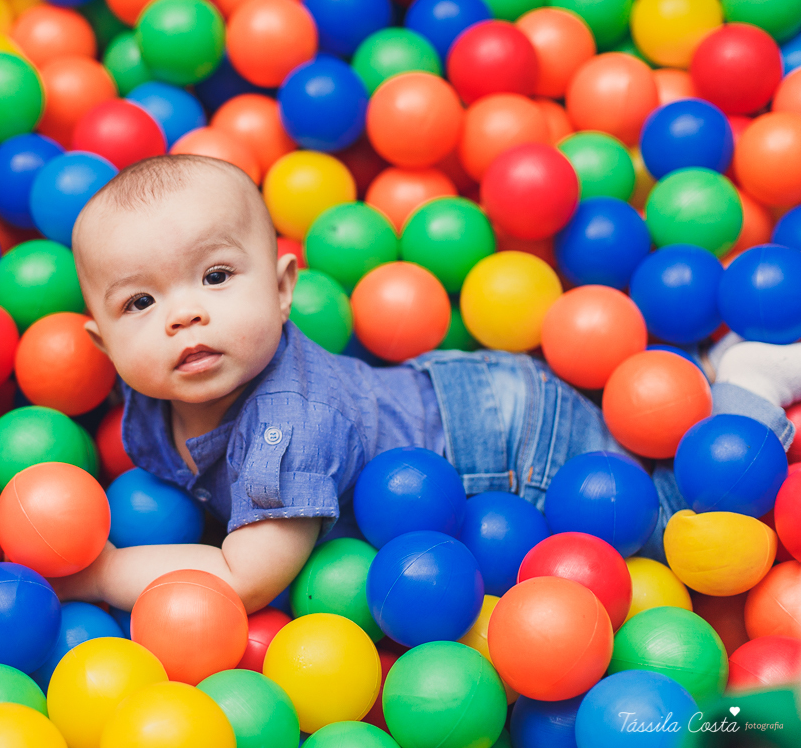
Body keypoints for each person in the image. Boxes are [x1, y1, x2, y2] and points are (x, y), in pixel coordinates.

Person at [54, 154, 801, 613]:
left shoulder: (289, 422)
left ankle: (747, 387)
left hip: (506, 439)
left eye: (216, 277)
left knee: (668, 528)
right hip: (444, 396)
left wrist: (100, 572)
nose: (183, 314)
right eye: (140, 303)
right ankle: (694, 377)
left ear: (284, 290)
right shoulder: (152, 388)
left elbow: (245, 577)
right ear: (104, 343)